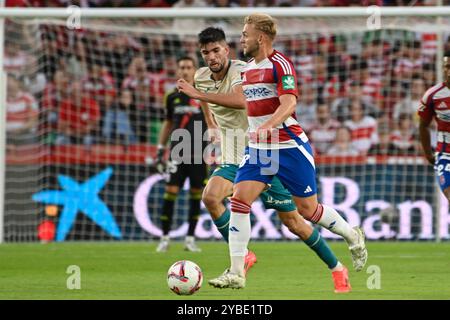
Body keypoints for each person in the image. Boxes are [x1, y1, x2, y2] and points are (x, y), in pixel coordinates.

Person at [177, 26, 356, 293]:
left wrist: (198, 95)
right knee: (211, 197)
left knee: (296, 222)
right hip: (235, 157)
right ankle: (242, 258)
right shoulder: (201, 77)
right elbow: (204, 97)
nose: (212, 57)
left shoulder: (243, 71)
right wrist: (210, 121)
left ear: (227, 50)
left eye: (216, 50)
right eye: (206, 53)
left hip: (265, 152)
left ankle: (336, 268)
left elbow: (241, 101)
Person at [155, 57, 207, 253]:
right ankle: (165, 237)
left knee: (196, 195)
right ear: (177, 70)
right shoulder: (171, 96)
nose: (185, 71)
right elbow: (168, 123)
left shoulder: (203, 95)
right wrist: (160, 148)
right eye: (182, 67)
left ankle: (190, 239)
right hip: (177, 152)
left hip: (199, 153)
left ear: (194, 70)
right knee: (171, 192)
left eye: (188, 67)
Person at [419, 55, 450, 201]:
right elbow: (423, 126)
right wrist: (428, 154)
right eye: (447, 66)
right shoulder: (432, 95)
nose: (449, 71)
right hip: (445, 155)